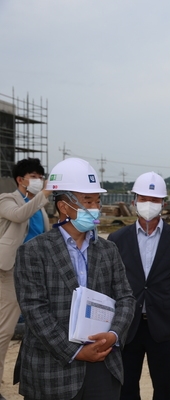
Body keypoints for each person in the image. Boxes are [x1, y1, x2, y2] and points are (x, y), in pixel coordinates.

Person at [13, 157, 136, 400]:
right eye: (87, 201)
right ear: (64, 206)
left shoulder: (108, 249)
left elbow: (126, 297)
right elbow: (35, 310)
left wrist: (113, 335)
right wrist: (75, 351)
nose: (95, 208)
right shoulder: (33, 251)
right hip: (51, 371)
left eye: (97, 201)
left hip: (103, 365)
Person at [108, 172, 170, 400]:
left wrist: (161, 298)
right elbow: (112, 279)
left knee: (164, 389)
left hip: (163, 326)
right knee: (126, 389)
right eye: (143, 199)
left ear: (163, 203)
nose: (148, 204)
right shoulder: (117, 239)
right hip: (127, 327)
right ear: (134, 201)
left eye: (154, 200)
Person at [0, 158, 51, 400]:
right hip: (10, 272)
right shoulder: (7, 199)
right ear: (21, 180)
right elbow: (19, 216)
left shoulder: (39, 207)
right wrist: (44, 194)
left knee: (40, 327)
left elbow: (45, 236)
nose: (39, 180)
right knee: (5, 330)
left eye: (41, 176)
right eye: (34, 176)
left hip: (36, 273)